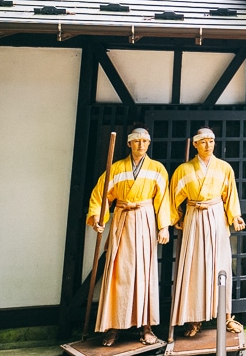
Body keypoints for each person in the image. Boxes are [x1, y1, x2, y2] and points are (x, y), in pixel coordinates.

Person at [86, 127, 170, 347]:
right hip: (122, 221)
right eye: (136, 141)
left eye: (145, 141)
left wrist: (163, 227)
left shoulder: (157, 169)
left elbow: (163, 200)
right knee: (118, 272)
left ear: (149, 144)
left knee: (145, 273)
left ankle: (146, 326)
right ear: (129, 144)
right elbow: (101, 194)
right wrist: (98, 217)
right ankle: (114, 326)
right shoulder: (116, 169)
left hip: (144, 220)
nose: (141, 145)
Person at [169, 128, 246, 338]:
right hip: (194, 215)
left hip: (216, 216)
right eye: (203, 142)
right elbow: (173, 195)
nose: (208, 145)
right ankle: (195, 319)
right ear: (195, 144)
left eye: (211, 141)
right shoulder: (184, 170)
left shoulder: (224, 168)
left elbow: (230, 195)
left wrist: (235, 216)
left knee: (221, 265)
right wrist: (177, 216)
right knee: (195, 267)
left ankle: (226, 315)